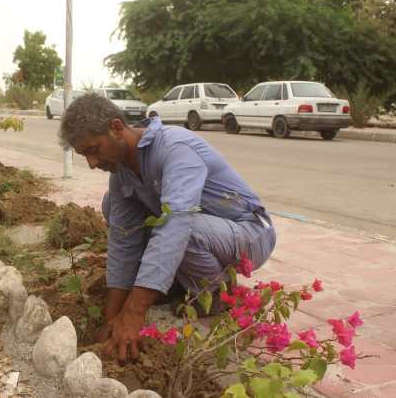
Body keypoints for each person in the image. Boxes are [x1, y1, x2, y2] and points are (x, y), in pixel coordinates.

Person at [58, 93, 276, 364]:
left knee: (180, 227)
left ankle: (217, 295)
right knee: (112, 206)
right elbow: (123, 241)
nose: (92, 163)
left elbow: (176, 225)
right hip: (205, 231)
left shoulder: (176, 148)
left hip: (251, 233)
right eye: (84, 155)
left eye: (93, 150)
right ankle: (177, 284)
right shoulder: (122, 172)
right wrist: (113, 316)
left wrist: (135, 313)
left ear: (116, 128)